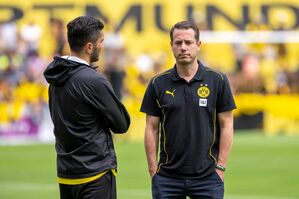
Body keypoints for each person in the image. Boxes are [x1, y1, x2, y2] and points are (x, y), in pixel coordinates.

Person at [140, 21, 236, 199]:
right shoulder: (157, 83)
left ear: (198, 45)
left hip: (208, 178)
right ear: (171, 46)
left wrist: (220, 167)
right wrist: (153, 169)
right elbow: (151, 128)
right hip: (167, 178)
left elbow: (227, 124)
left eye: (188, 42)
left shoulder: (218, 80)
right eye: (178, 43)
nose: (183, 47)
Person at [44, 16, 130, 199]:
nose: (102, 46)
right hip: (95, 173)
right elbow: (122, 124)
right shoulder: (93, 80)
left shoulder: (55, 79)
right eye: (101, 41)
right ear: (89, 47)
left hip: (66, 173)